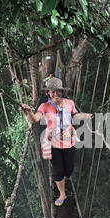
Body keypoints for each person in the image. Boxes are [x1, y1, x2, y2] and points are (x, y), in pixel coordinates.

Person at [21, 77, 93, 206]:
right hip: (53, 144)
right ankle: (62, 193)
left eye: (58, 91)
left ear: (62, 91)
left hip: (69, 141)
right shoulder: (45, 106)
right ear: (48, 92)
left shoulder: (69, 103)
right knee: (58, 171)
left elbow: (75, 115)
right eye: (52, 92)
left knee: (69, 170)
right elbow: (36, 119)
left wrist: (86, 115)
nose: (55, 94)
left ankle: (63, 180)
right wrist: (29, 112)